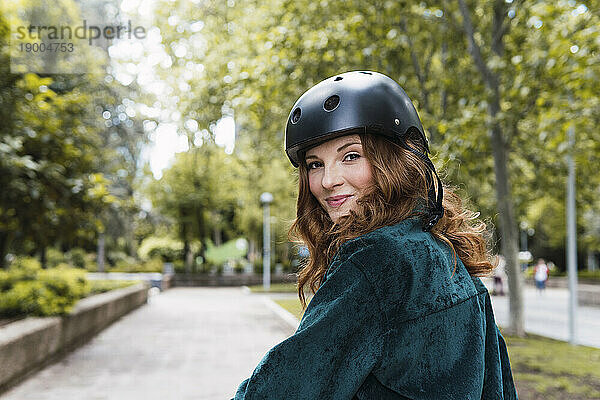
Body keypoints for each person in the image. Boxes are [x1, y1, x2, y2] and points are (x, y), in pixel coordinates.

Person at [233, 71, 518, 399]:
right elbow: (499, 387)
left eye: (350, 156)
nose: (328, 180)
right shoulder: (446, 253)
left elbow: (283, 390)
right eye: (314, 164)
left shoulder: (378, 260)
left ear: (394, 159)